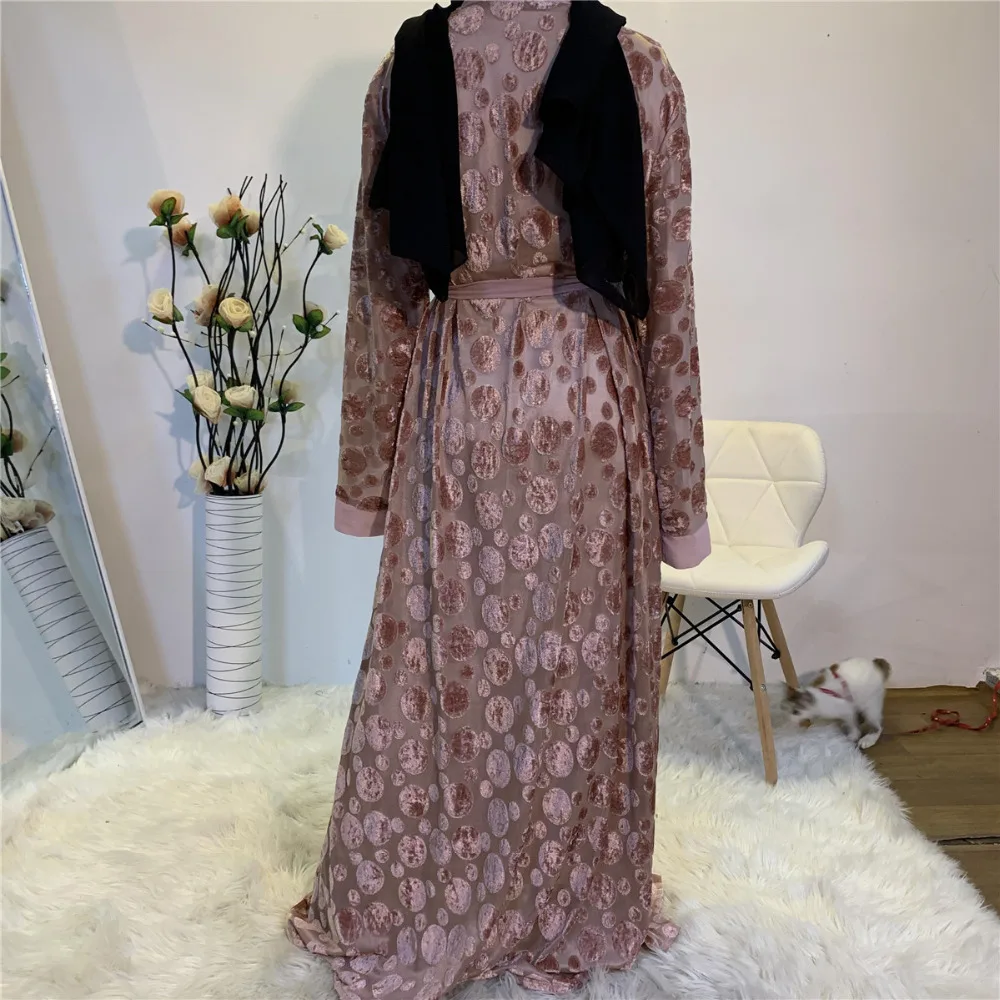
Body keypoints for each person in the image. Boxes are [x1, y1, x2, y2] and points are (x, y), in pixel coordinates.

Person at [288, 2, 709, 997]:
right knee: (577, 666)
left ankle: (426, 888)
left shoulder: (409, 67)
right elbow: (669, 289)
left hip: (460, 395)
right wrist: (682, 498)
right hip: (590, 403)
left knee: (444, 658)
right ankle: (562, 894)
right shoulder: (640, 65)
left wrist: (367, 478)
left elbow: (383, 287)